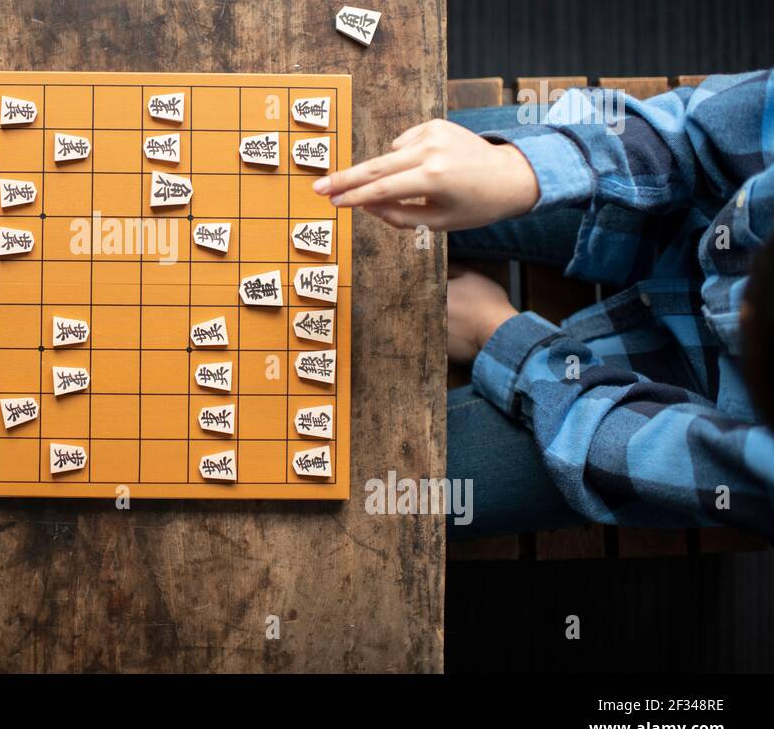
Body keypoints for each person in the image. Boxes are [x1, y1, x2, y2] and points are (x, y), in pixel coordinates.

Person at [314, 74, 774, 540]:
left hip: (673, 412)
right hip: (688, 203)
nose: (741, 310)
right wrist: (521, 170)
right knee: (363, 161)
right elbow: (699, 131)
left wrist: (496, 335)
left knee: (374, 491)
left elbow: (637, 451)